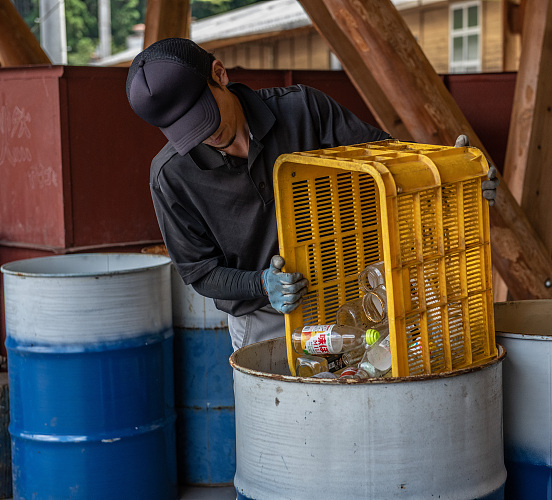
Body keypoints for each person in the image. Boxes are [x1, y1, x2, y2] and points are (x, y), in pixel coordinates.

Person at [126, 37, 498, 351]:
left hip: (360, 298)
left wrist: (453, 183)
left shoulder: (302, 109)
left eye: (205, 117)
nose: (208, 136)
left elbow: (388, 164)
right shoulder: (170, 176)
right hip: (268, 318)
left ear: (219, 75)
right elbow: (201, 273)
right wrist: (261, 284)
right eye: (188, 131)